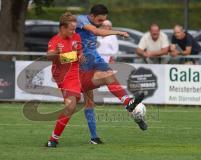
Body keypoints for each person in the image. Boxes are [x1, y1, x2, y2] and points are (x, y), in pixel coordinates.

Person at [76, 4, 147, 145]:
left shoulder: (94, 24)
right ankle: (128, 105)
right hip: (82, 66)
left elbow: (96, 32)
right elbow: (96, 31)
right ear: (92, 16)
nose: (102, 23)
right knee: (90, 100)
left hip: (95, 61)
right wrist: (118, 32)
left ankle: (130, 106)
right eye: (100, 20)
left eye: (104, 20)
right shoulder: (81, 19)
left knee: (109, 76)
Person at [46, 12, 84, 148]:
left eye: (75, 29)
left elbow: (80, 53)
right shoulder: (55, 40)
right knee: (71, 106)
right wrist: (56, 52)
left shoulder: (76, 37)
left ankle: (54, 138)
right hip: (62, 75)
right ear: (62, 28)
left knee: (73, 105)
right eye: (71, 29)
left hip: (75, 74)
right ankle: (53, 139)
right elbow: (49, 56)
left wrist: (80, 56)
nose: (74, 32)